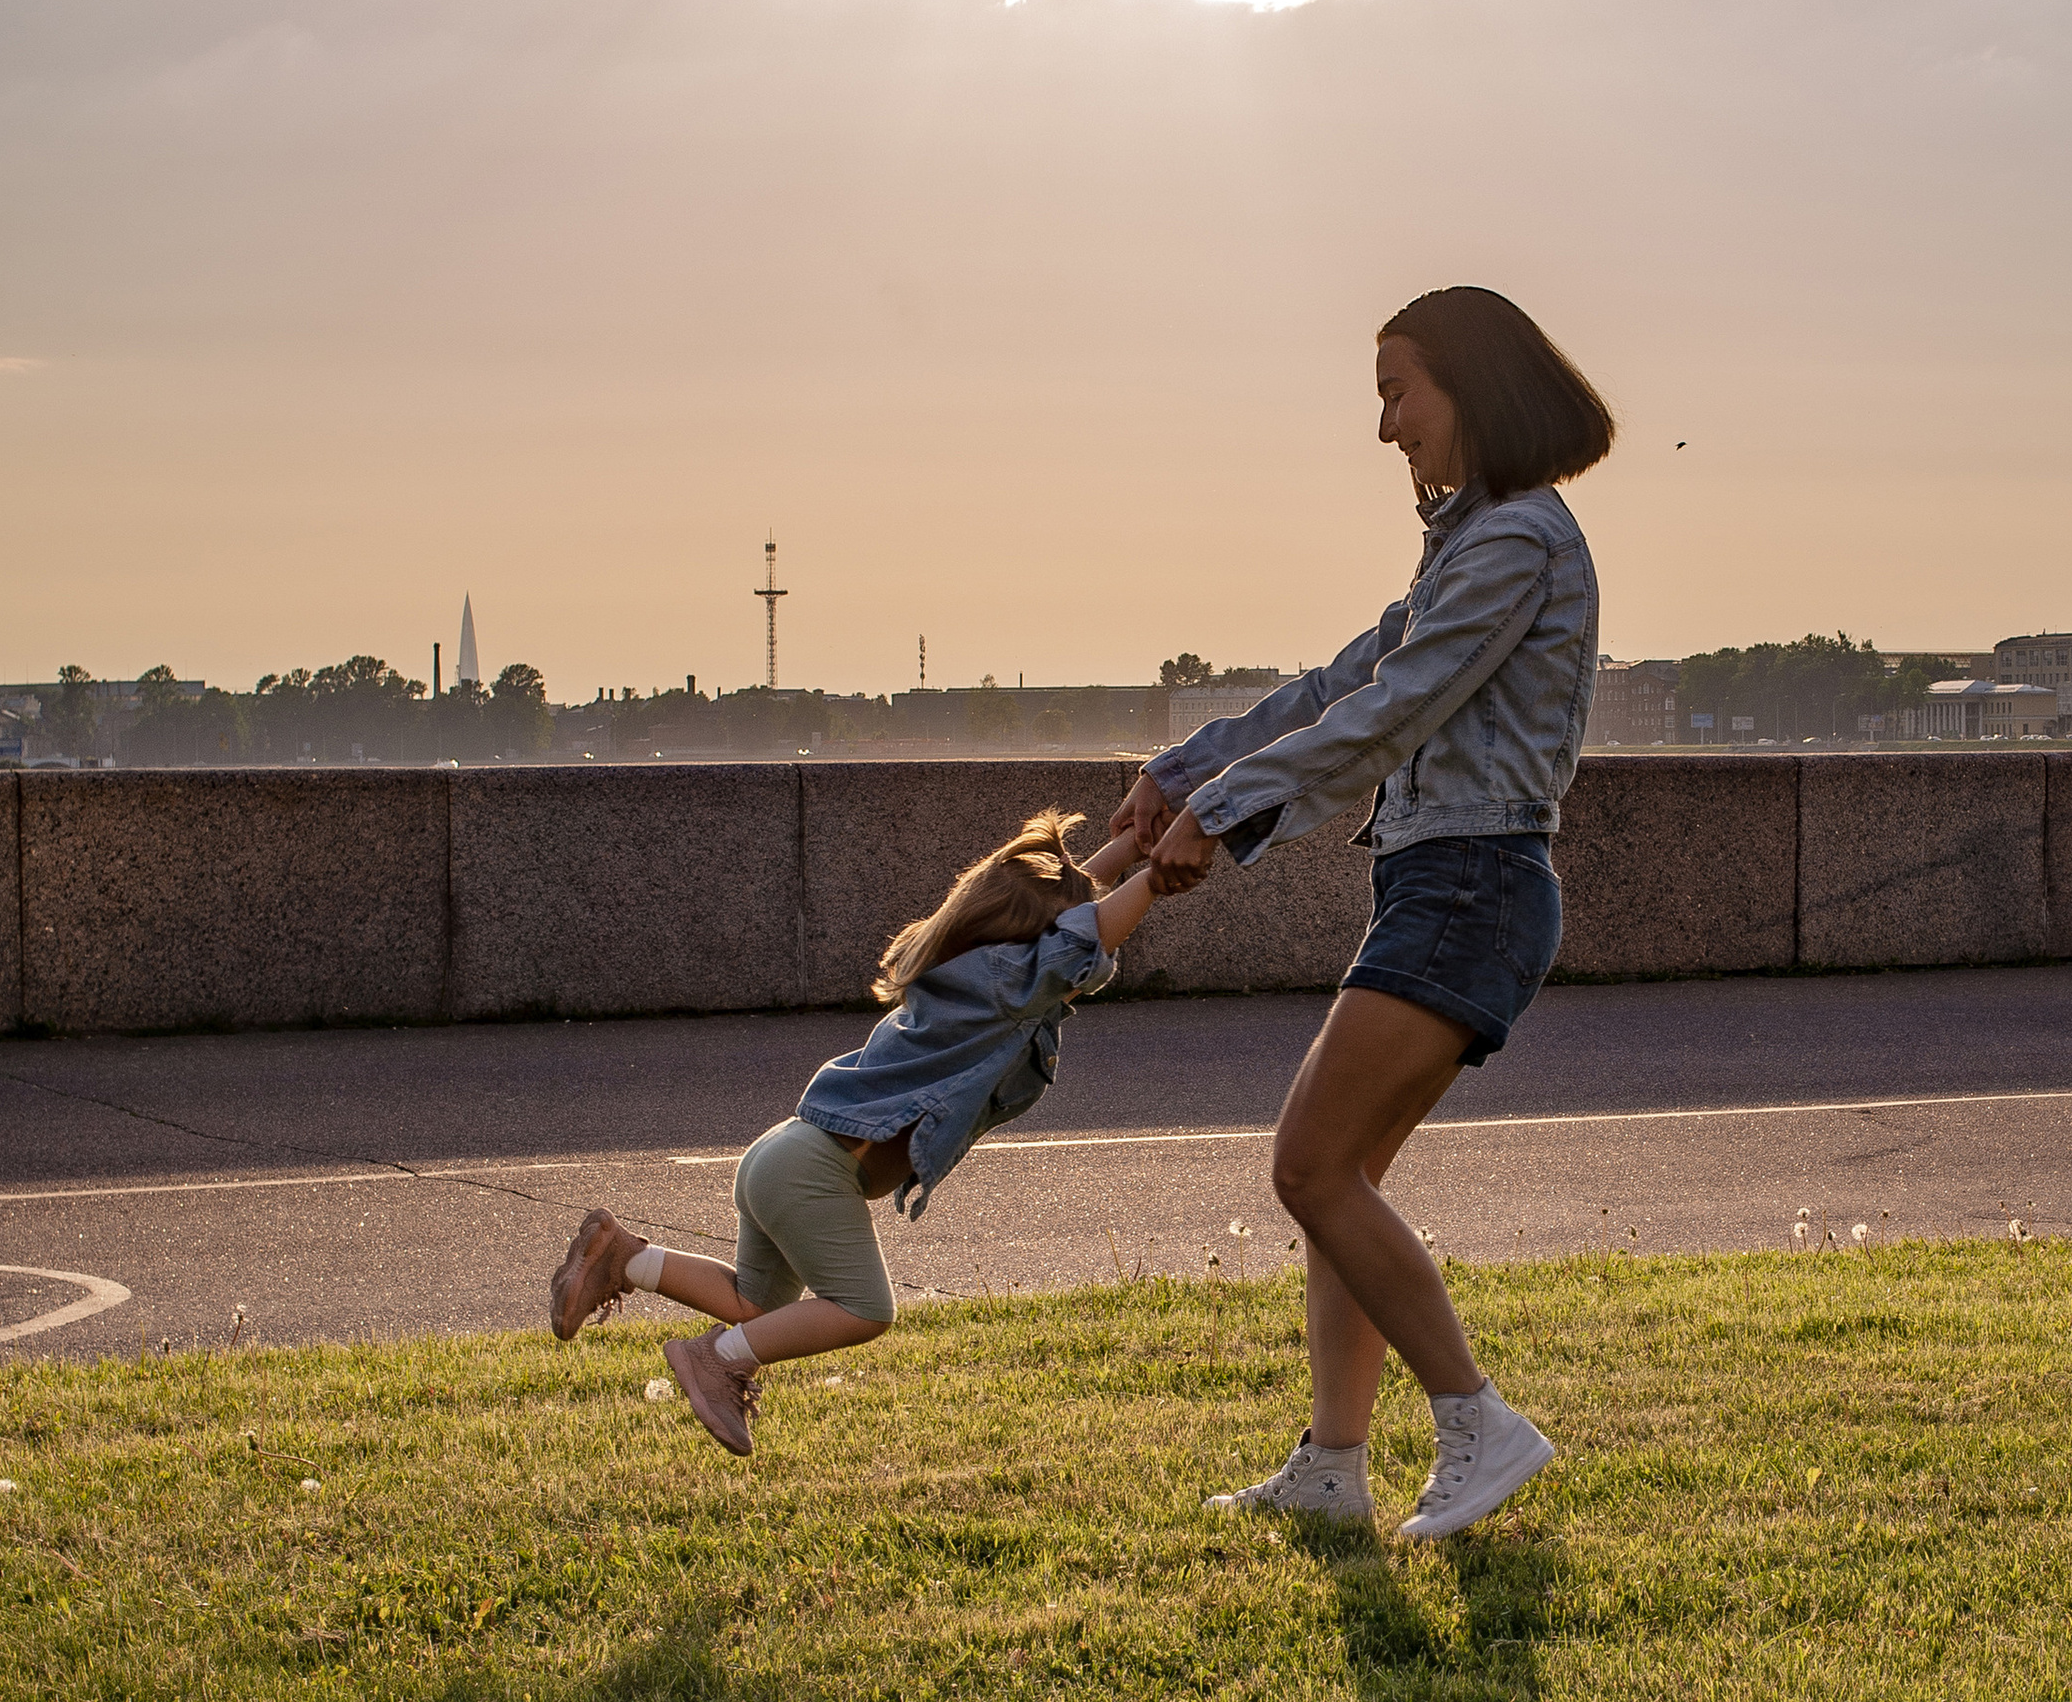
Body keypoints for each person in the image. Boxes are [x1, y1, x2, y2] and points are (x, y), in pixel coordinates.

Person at [1120, 284, 1612, 1542]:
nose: (1385, 426)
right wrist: (1181, 770)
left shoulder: (1517, 544)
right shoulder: (1471, 545)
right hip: (1441, 884)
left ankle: (1478, 1424)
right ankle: (1335, 1466)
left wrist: (1223, 816)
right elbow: (1341, 683)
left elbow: (1392, 714)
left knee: (1307, 1165)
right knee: (1337, 1181)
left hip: (1472, 886)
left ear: (1470, 389)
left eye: (1399, 392)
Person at [548, 810, 1161, 1456]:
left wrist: (1132, 846)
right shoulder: (1011, 988)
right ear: (1036, 944)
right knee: (866, 1309)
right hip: (815, 1174)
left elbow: (1067, 914)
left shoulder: (971, 968)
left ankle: (626, 1258)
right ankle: (717, 1361)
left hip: (784, 1152)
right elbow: (1082, 937)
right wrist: (1159, 875)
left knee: (760, 1311)